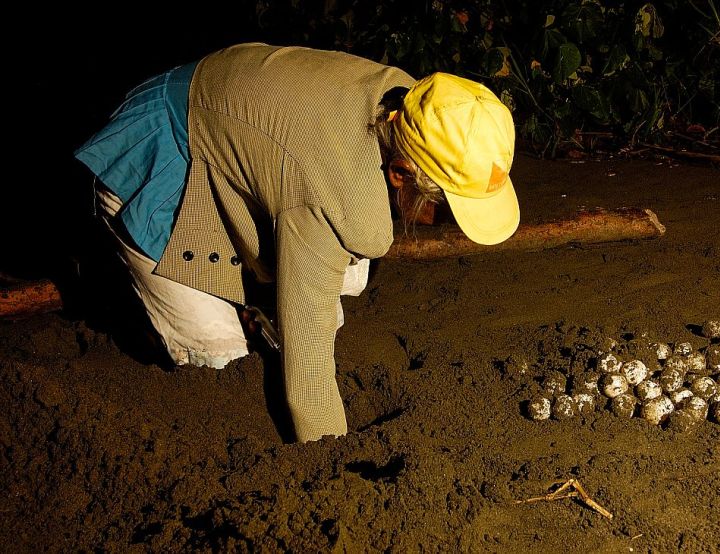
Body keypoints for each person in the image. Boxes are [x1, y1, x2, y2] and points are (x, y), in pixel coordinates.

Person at [75, 42, 519, 442]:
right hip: (165, 151)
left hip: (232, 131)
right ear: (399, 172)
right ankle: (127, 283)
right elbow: (308, 366)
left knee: (350, 269)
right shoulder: (328, 189)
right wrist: (330, 456)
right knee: (221, 357)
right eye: (442, 210)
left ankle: (251, 292)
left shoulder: (419, 109)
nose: (445, 224)